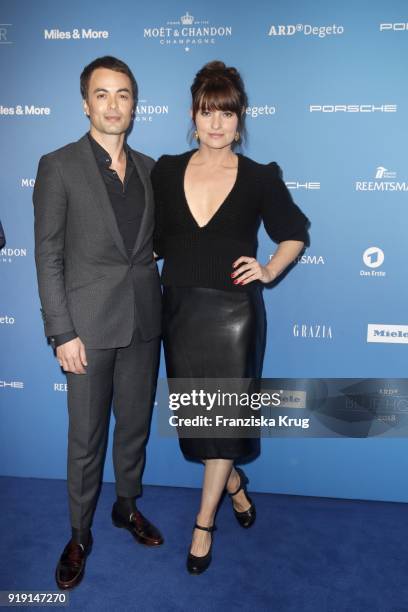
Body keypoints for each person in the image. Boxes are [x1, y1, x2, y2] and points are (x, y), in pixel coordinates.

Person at [151, 60, 309, 574]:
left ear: (240, 119)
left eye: (227, 113)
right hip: (178, 312)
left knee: (221, 422)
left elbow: (295, 231)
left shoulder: (261, 177)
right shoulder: (166, 170)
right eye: (206, 112)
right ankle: (235, 484)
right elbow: (147, 241)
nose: (216, 123)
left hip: (234, 316)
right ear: (192, 115)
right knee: (201, 426)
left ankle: (204, 523)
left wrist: (268, 269)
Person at [33, 56, 163, 590]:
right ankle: (80, 533)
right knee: (86, 439)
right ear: (86, 102)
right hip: (85, 330)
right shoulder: (58, 165)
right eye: (103, 94)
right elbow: (48, 255)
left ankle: (125, 505)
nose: (114, 105)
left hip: (143, 323)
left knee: (133, 428)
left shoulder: (155, 169)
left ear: (135, 104)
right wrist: (62, 333)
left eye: (124, 94)